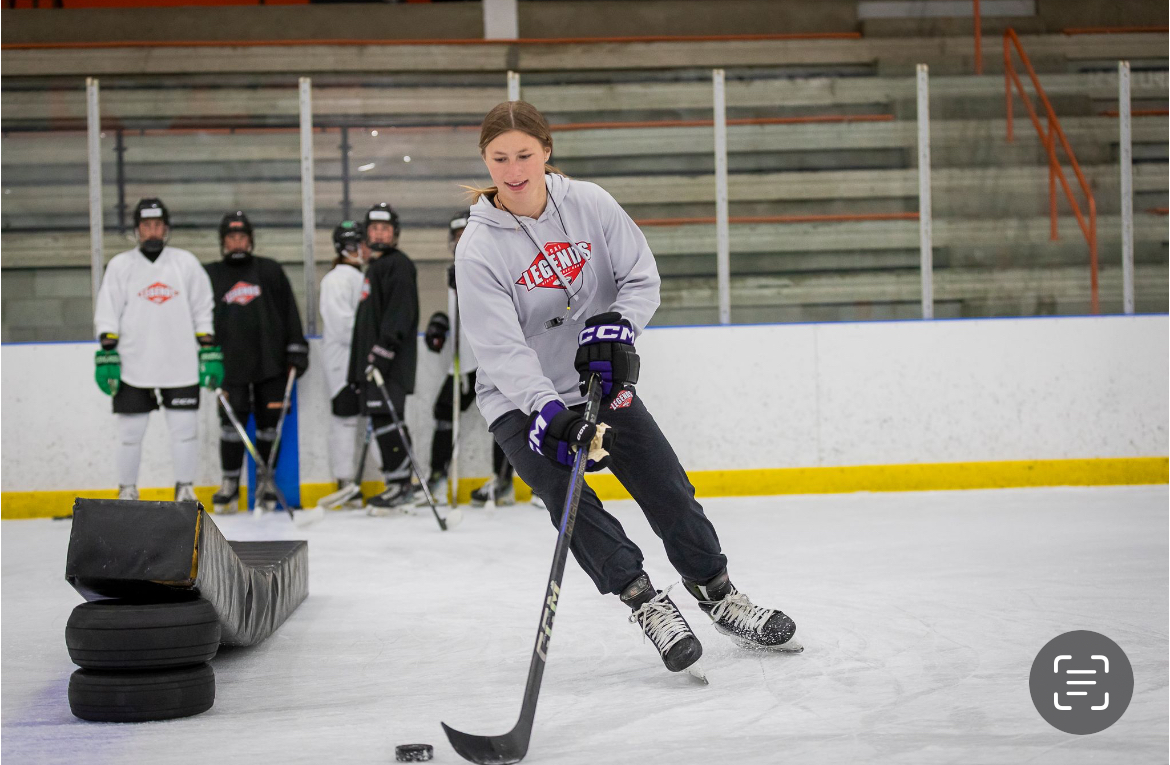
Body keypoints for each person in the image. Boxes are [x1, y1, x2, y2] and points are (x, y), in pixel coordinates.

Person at [455, 101, 802, 677]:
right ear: (485, 161)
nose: (513, 170)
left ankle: (717, 592)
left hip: (596, 380)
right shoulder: (480, 246)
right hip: (520, 400)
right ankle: (645, 601)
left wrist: (620, 326)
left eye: (523, 154)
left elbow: (641, 277)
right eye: (499, 158)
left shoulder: (589, 202)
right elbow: (500, 349)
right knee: (570, 503)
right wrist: (547, 409)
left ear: (545, 150)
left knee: (665, 483)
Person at [93, 197, 219, 502]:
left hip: (181, 363)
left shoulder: (185, 263)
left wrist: (208, 347)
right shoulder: (122, 265)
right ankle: (127, 490)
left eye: (158, 225)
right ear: (138, 229)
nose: (152, 231)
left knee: (185, 432)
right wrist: (107, 347)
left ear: (166, 229)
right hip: (134, 363)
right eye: (146, 225)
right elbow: (108, 308)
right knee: (130, 435)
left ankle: (185, 488)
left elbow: (203, 306)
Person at [204, 211, 309, 513]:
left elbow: (289, 311)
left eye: (242, 237)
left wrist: (297, 349)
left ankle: (266, 481)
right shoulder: (210, 275)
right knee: (230, 427)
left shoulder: (270, 270)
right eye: (231, 237)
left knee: (268, 428)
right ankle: (230, 484)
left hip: (271, 362)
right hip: (230, 365)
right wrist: (205, 354)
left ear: (250, 240)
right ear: (223, 242)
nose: (237, 242)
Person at [348, 202, 421, 515]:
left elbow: (400, 314)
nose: (379, 233)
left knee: (388, 420)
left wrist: (381, 353)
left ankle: (401, 485)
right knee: (384, 421)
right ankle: (402, 483)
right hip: (377, 364)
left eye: (385, 229)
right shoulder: (375, 267)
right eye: (375, 229)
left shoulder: (398, 264)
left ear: (395, 234)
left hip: (390, 363)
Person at [319, 220, 369, 508]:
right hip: (342, 363)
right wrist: (370, 338)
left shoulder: (360, 276)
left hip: (359, 359)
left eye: (360, 243)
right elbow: (342, 326)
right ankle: (345, 481)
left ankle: (389, 478)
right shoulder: (335, 279)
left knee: (372, 418)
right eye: (354, 244)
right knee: (346, 418)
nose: (359, 249)